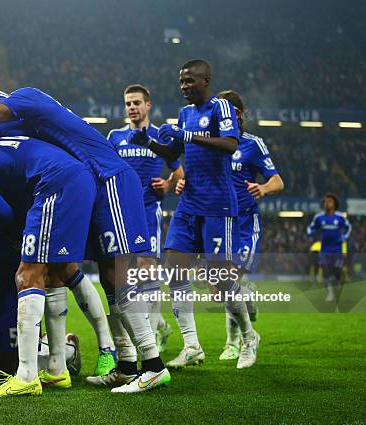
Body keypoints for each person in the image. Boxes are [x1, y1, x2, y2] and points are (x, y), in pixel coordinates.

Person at [0, 86, 170, 393]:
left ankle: (153, 366)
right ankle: (128, 366)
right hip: (95, 182)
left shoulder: (26, 98)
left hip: (107, 175)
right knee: (110, 277)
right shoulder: (38, 116)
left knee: (120, 273)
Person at [0, 65, 116, 378]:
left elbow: (29, 133)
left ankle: (93, 350)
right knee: (20, 276)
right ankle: (52, 360)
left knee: (57, 271)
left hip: (33, 193)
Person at [133, 59, 260, 369]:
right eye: (181, 81)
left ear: (206, 80)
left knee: (223, 280)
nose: (184, 86)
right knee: (175, 269)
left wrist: (186, 136)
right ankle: (192, 345)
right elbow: (174, 153)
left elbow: (230, 145)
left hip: (218, 205)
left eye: (190, 81)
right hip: (189, 203)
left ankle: (248, 336)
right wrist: (149, 142)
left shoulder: (221, 109)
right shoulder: (186, 114)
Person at [176, 90, 284, 360]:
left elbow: (277, 181)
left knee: (228, 279)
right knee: (221, 286)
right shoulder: (208, 143)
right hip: (215, 214)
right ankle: (243, 313)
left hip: (245, 222)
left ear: (238, 114)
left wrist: (263, 188)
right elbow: (196, 171)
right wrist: (183, 181)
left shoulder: (251, 144)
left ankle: (234, 341)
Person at [107, 83, 184, 353]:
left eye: (137, 103)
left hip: (148, 210)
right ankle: (160, 324)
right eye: (128, 103)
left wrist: (166, 183)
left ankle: (148, 339)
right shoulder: (115, 136)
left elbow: (179, 172)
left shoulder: (159, 137)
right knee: (123, 274)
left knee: (147, 268)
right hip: (121, 212)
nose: (132, 107)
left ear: (148, 105)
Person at [307, 193, 351, 302]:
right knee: (325, 270)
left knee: (337, 271)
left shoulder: (340, 217)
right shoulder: (319, 217)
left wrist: (344, 237)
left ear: (334, 204)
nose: (327, 203)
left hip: (337, 248)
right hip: (325, 248)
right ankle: (329, 294)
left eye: (330, 201)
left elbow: (348, 227)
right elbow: (310, 228)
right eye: (326, 202)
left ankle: (338, 282)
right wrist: (313, 234)